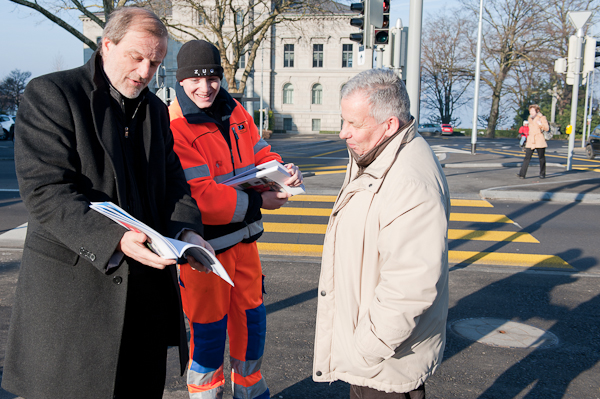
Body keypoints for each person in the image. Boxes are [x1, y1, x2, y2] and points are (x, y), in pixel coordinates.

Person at [2, 8, 212, 399]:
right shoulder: (53, 94)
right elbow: (46, 191)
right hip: (75, 302)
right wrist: (115, 239)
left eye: (156, 62)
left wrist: (187, 231)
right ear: (107, 45)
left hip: (144, 302)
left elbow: (173, 183)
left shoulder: (153, 110)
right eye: (137, 57)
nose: (147, 71)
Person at [168, 40, 303, 399]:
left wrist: (280, 171)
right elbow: (199, 197)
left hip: (245, 245)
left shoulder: (236, 110)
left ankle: (250, 391)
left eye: (212, 77)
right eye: (195, 80)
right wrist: (259, 203)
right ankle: (206, 395)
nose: (205, 87)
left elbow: (259, 153)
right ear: (179, 81)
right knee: (209, 335)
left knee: (252, 325)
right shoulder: (176, 126)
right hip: (205, 253)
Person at [313, 69, 450, 399]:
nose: (343, 133)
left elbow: (410, 285)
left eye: (354, 124)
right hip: (375, 363)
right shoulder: (377, 153)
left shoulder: (408, 182)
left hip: (383, 366)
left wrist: (366, 349)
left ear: (389, 125)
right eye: (343, 121)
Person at [517, 104, 549, 179]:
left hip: (539, 139)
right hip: (531, 139)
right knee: (527, 157)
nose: (531, 112)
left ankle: (542, 173)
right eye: (530, 111)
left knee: (541, 158)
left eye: (532, 111)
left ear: (537, 111)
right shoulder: (529, 118)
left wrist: (540, 125)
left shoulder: (542, 117)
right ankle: (522, 174)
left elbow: (547, 128)